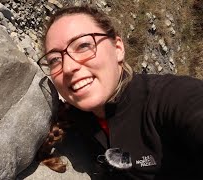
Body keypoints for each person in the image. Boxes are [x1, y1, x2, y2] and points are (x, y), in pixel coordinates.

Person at [35, 5, 203, 180]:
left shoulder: (171, 97)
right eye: (54, 60)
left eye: (83, 45)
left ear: (118, 49)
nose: (68, 67)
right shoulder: (71, 120)